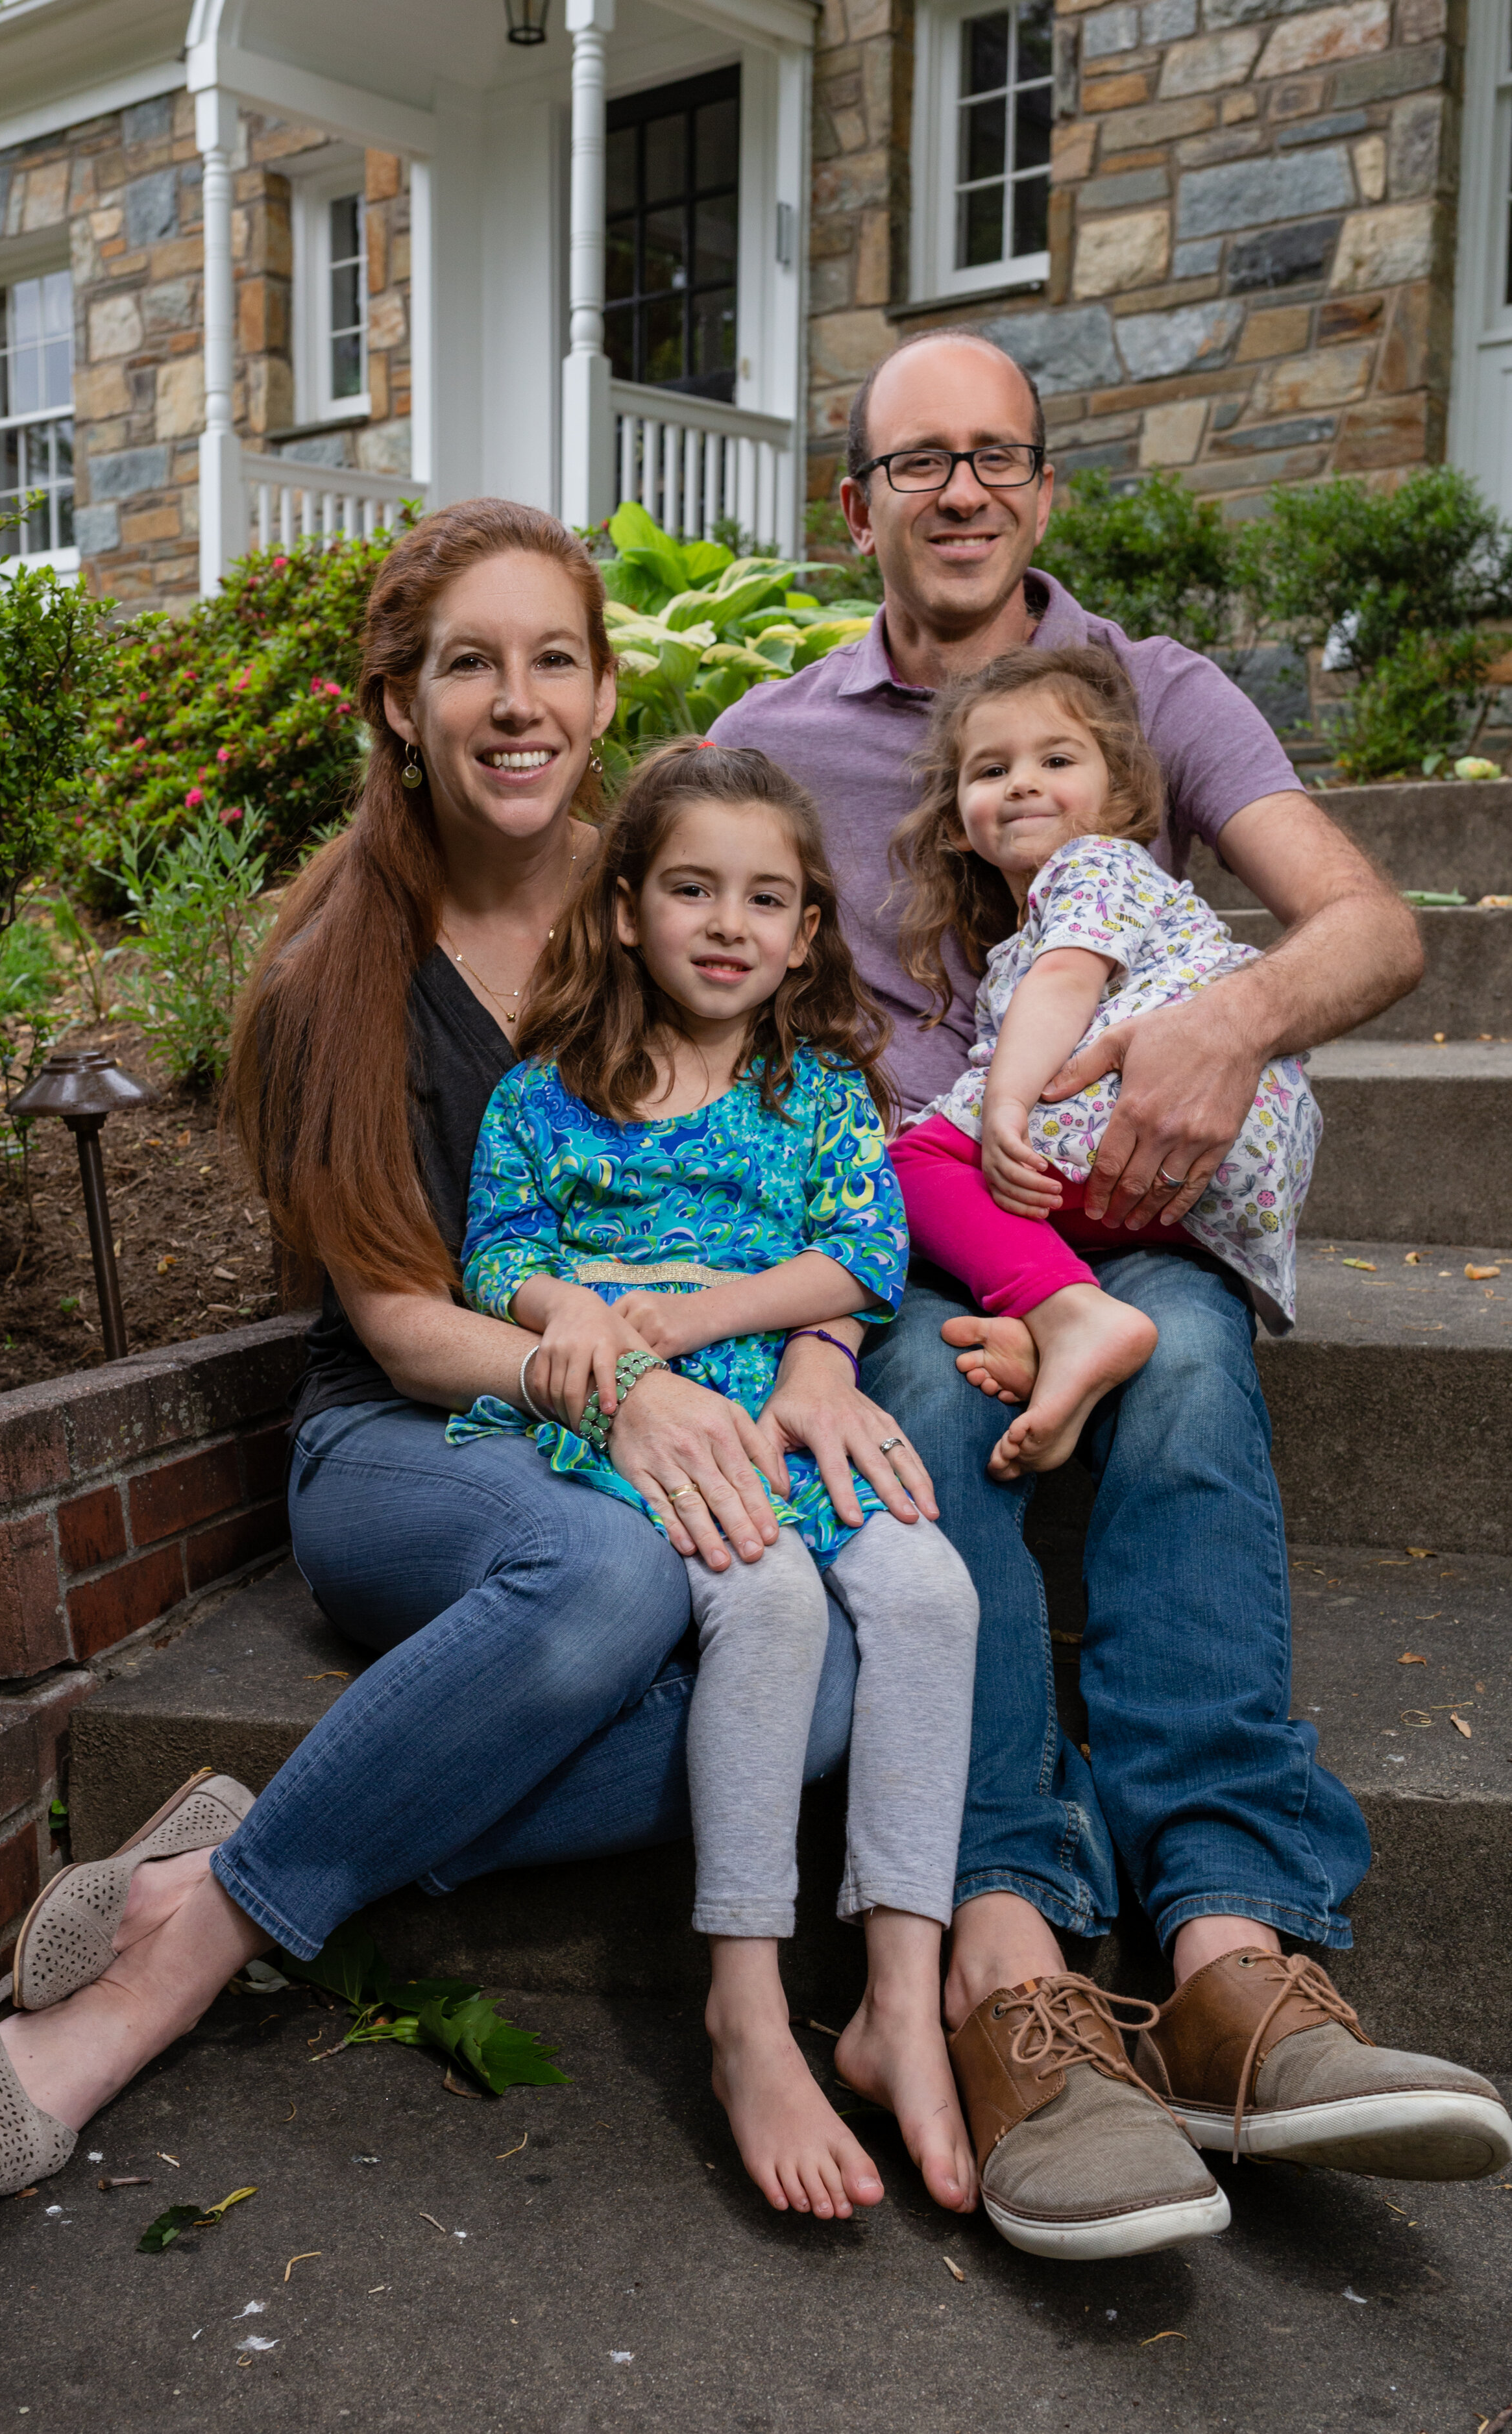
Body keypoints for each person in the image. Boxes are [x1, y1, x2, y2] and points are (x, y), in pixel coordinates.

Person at [0, 502, 930, 2211]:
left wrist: (818, 1345)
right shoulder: (342, 970)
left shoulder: (677, 889)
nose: (515, 700)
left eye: (552, 658)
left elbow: (808, 1160)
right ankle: (164, 1981)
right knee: (610, 1573)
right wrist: (608, 1372)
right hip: (413, 1428)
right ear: (401, 702)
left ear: (605, 690)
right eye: (471, 663)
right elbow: (393, 1315)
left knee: (824, 1671)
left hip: (669, 1393)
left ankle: (227, 1865)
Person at [710, 325, 1512, 2260]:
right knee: (913, 1392)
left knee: (1188, 1358)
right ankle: (1004, 1960)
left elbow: (1372, 924)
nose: (962, 489)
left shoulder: (1153, 692)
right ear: (858, 505)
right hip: (901, 1220)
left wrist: (1225, 1019)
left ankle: (1230, 1948)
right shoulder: (768, 730)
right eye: (919, 462)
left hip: (1121, 1200)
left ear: (1046, 489)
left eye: (998, 455)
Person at [452, 739, 982, 2223]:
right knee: (765, 1605)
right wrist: (580, 1320)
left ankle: (897, 1997)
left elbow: (863, 1257)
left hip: (779, 1401)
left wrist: (705, 1312)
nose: (729, 924)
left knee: (931, 1595)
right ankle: (745, 2005)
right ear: (624, 909)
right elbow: (496, 1255)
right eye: (692, 888)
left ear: (809, 929)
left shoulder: (814, 1093)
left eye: (767, 898)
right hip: (631, 1422)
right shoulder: (544, 1098)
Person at [890, 643, 1321, 1482]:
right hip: (1204, 1160)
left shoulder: (1094, 868)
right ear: (956, 822)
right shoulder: (1029, 927)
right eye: (991, 769)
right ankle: (1047, 1326)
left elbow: (1064, 982)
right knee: (993, 1202)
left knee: (914, 1163)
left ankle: (1066, 1313)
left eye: (1056, 759)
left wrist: (1007, 1106)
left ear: (1120, 799)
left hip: (1173, 1109)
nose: (1021, 782)